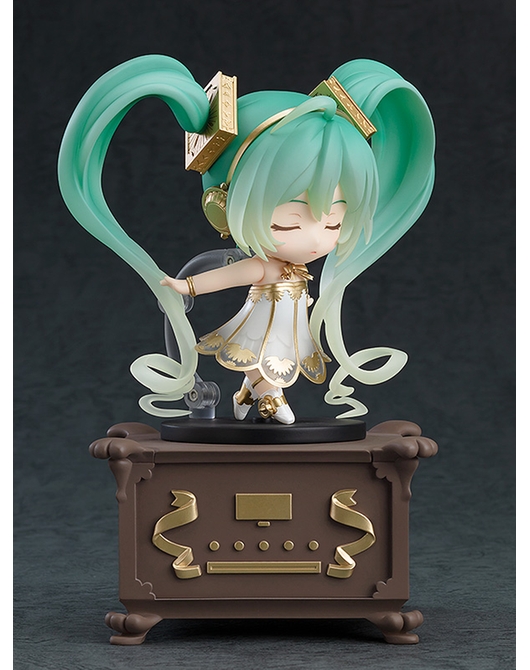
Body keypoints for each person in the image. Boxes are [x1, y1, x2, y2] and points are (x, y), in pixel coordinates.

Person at [58, 55, 435, 423]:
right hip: (262, 327)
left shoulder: (296, 268)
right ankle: (269, 397)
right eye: (289, 225)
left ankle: (245, 393)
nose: (316, 240)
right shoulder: (262, 266)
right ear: (222, 209)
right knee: (265, 362)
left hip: (288, 327)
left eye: (334, 224)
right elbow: (228, 276)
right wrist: (185, 286)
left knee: (270, 361)